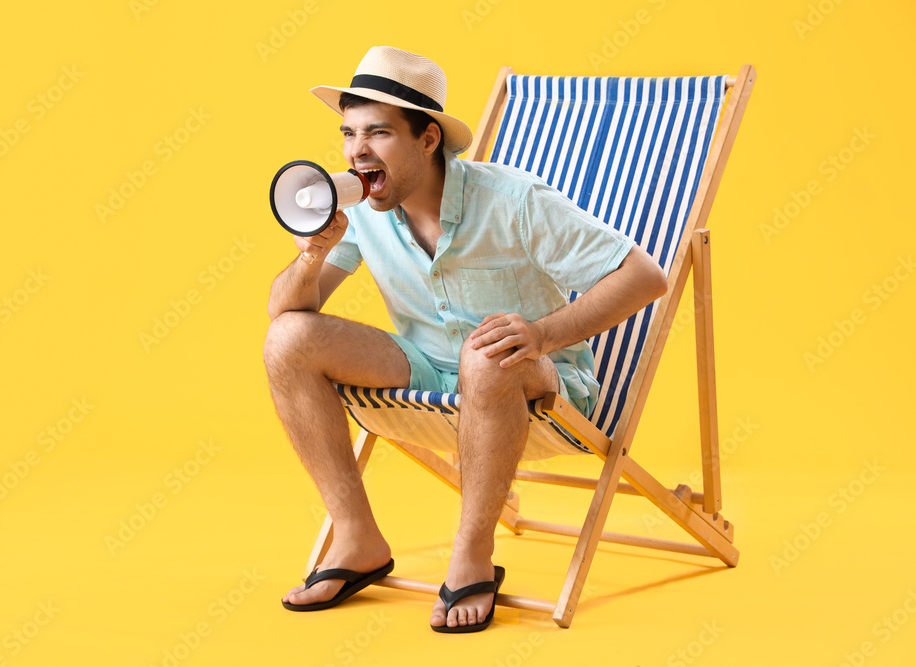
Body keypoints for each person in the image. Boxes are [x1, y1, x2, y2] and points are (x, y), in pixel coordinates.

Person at [264, 46, 668, 633]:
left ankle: (473, 554)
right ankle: (357, 540)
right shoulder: (367, 211)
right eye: (349, 132)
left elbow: (646, 277)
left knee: (487, 353)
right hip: (428, 373)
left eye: (378, 132)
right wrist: (314, 253)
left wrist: (540, 334)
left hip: (538, 380)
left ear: (428, 139)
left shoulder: (514, 199)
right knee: (287, 339)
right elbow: (285, 312)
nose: (356, 151)